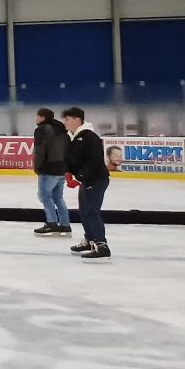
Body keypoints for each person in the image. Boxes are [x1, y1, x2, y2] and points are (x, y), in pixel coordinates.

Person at [63, 107, 111, 262]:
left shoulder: (90, 137)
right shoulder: (73, 137)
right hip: (87, 180)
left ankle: (102, 246)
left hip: (96, 180)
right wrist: (68, 172)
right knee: (84, 212)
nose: (65, 122)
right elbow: (73, 159)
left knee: (91, 211)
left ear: (77, 119)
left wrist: (80, 177)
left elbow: (94, 161)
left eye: (67, 119)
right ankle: (90, 240)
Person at [31, 107, 72, 238]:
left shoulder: (42, 130)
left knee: (44, 196)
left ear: (43, 117)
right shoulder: (62, 130)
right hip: (61, 169)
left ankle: (51, 223)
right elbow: (67, 150)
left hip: (48, 169)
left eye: (37, 115)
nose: (36, 118)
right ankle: (65, 224)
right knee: (58, 197)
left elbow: (39, 150)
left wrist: (37, 167)